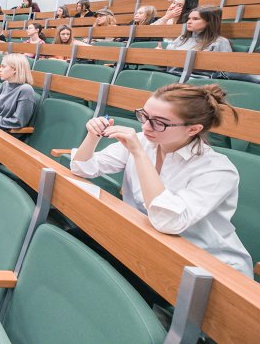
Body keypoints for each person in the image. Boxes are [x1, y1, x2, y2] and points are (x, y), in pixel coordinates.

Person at [70, 83, 252, 277]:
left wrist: (138, 154)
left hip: (206, 266)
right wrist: (93, 136)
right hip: (147, 242)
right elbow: (82, 168)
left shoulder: (217, 170)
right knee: (72, 244)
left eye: (160, 122)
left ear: (193, 129)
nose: (146, 126)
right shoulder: (144, 141)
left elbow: (167, 221)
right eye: (145, 116)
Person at [0, 54, 37, 130]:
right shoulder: (5, 84)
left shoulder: (26, 90)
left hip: (8, 133)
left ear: (15, 69)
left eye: (3, 66)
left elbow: (18, 122)